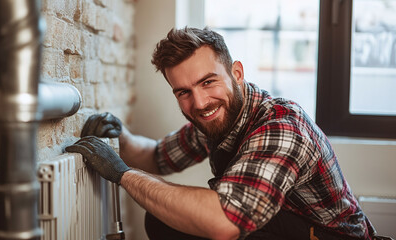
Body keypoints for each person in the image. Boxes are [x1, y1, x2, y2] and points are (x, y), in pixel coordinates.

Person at [66, 27, 380, 240]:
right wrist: (120, 137)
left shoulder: (281, 126)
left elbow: (225, 223)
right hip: (286, 226)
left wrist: (123, 174)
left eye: (208, 82)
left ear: (237, 73)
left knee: (175, 218)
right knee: (163, 218)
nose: (199, 103)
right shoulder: (216, 118)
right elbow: (158, 158)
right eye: (183, 92)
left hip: (329, 236)